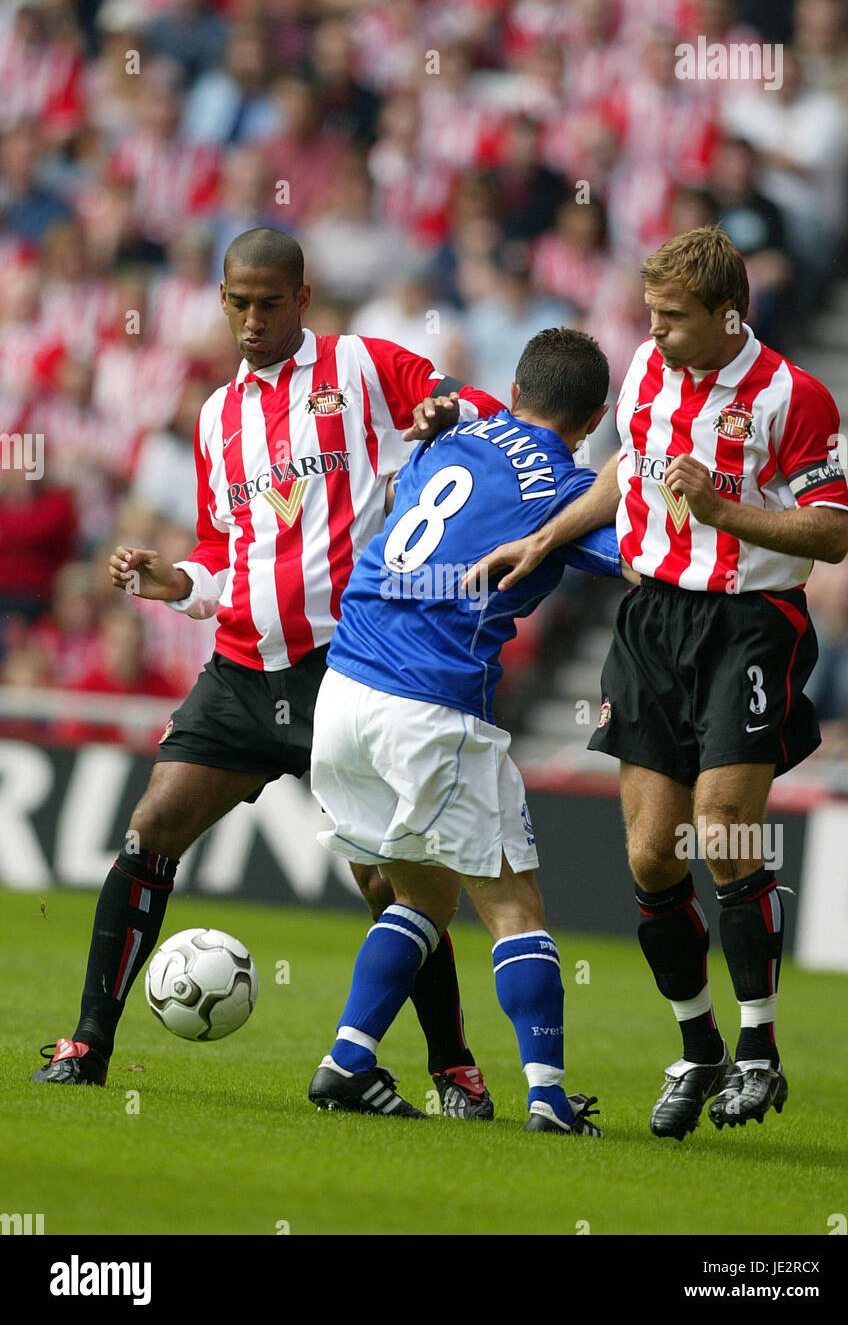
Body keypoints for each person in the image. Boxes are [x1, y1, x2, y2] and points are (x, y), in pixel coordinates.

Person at [31, 227, 504, 1120]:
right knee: (151, 826)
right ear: (221, 299)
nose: (251, 318)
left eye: (268, 302)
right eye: (236, 302)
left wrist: (446, 418)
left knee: (388, 883)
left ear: (302, 296)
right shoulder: (215, 415)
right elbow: (220, 545)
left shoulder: (364, 366)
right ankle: (88, 1044)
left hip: (350, 667)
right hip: (244, 665)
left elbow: (469, 405)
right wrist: (177, 581)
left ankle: (453, 1070)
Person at [463, 225, 848, 1140]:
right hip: (651, 626)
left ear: (727, 316)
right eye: (651, 314)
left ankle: (758, 1047)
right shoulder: (645, 367)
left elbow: (832, 531)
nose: (654, 329)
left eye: (671, 318)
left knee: (721, 823)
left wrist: (719, 510)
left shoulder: (790, 396)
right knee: (649, 854)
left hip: (747, 626)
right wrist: (545, 535)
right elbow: (624, 471)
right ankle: (698, 1046)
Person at [307, 328, 625, 1130]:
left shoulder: (447, 434)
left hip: (342, 689)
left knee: (418, 893)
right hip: (428, 703)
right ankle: (548, 1096)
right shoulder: (563, 487)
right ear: (590, 420)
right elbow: (638, 555)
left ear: (514, 392)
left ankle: (347, 1060)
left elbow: (416, 479)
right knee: (513, 904)